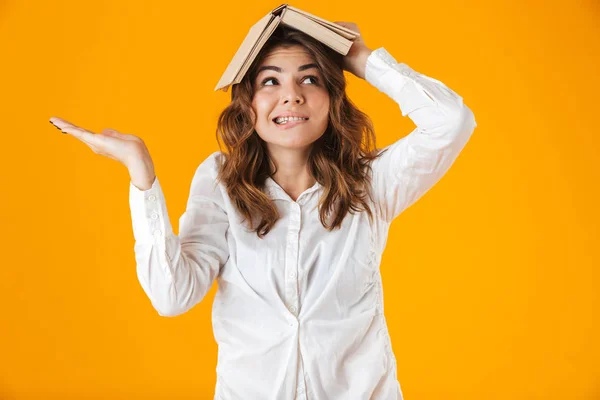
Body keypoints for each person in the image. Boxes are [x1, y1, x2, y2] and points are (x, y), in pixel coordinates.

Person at [50, 20, 476, 400]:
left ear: (332, 97)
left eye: (309, 80)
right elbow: (172, 295)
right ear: (247, 103)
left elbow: (451, 122)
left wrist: (358, 57)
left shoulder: (369, 182)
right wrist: (141, 173)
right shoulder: (220, 180)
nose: (290, 97)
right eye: (270, 81)